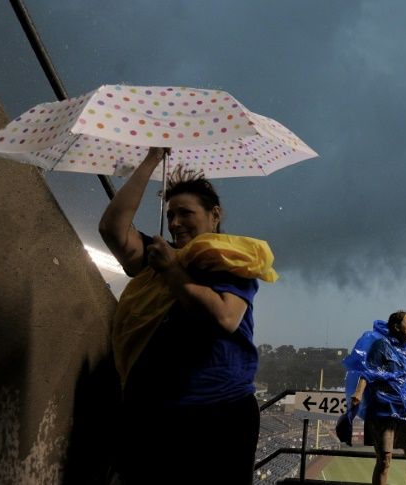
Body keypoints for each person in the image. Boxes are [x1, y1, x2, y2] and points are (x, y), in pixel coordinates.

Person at [98, 147, 278, 484]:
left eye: (186, 213)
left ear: (214, 214)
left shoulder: (231, 260)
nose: (176, 223)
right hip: (154, 412)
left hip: (219, 413)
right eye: (170, 215)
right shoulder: (161, 254)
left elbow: (225, 317)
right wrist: (151, 160)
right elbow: (112, 228)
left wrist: (171, 272)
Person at [342, 311, 406, 485]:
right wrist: (359, 393)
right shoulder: (381, 346)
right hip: (384, 411)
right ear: (396, 326)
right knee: (384, 461)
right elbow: (368, 373)